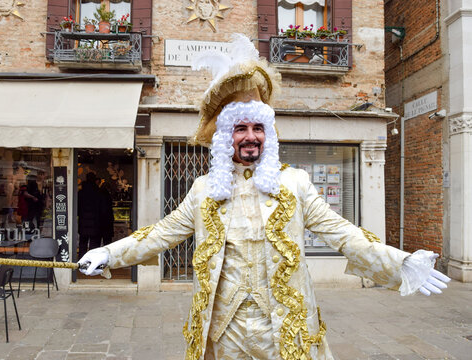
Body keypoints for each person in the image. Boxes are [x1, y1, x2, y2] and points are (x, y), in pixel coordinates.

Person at [78, 34, 450, 359]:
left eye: (258, 127)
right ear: (227, 136)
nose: (250, 136)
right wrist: (109, 253)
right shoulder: (204, 190)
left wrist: (398, 262)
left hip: (284, 329)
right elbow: (161, 234)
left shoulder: (296, 183)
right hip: (224, 331)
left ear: (268, 134)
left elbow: (342, 232)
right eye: (241, 128)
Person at [77, 172, 102, 258]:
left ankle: (81, 262)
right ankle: (92, 261)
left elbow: (77, 208)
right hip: (95, 222)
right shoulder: (98, 192)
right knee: (94, 245)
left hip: (83, 222)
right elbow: (101, 208)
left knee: (83, 243)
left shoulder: (81, 193)